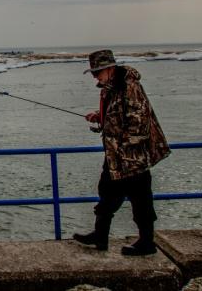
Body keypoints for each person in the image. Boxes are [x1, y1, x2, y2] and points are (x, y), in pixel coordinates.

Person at [73, 49, 170, 256]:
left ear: (109, 68)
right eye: (92, 73)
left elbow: (139, 122)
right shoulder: (110, 88)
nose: (95, 76)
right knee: (106, 195)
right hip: (114, 157)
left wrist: (123, 146)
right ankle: (100, 237)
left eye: (97, 72)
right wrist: (99, 116)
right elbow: (118, 114)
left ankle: (146, 243)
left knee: (141, 200)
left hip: (132, 158)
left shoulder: (130, 87)